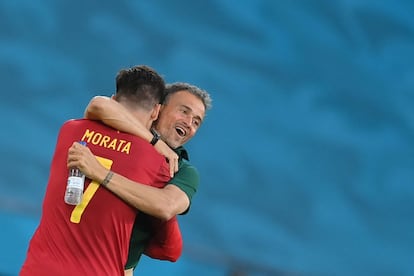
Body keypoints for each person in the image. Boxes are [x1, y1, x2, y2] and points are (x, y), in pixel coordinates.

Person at [20, 65, 173, 276]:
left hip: (39, 269)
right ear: (156, 111)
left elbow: (97, 107)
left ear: (114, 99)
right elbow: (170, 249)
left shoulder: (70, 130)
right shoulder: (156, 162)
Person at [72, 82, 212, 274]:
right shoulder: (122, 131)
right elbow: (98, 105)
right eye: (184, 112)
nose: (189, 123)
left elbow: (166, 205)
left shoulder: (183, 170)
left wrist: (100, 173)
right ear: (158, 108)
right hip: (63, 253)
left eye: (196, 122)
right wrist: (153, 141)